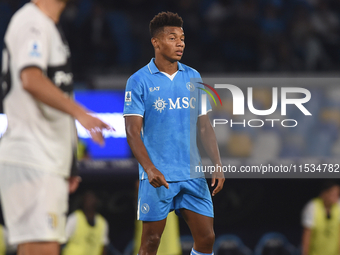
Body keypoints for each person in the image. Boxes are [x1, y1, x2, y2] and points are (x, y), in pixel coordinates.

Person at [0, 0, 112, 255]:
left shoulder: (48, 25)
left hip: (43, 160)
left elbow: (55, 100)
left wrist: (68, 164)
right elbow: (30, 79)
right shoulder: (32, 21)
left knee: (34, 248)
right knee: (44, 248)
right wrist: (81, 113)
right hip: (33, 158)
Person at [124, 11, 224, 255]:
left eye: (182, 38)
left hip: (192, 173)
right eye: (172, 38)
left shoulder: (193, 76)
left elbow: (204, 125)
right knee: (150, 242)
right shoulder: (139, 81)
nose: (180, 43)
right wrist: (149, 168)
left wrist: (217, 163)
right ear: (155, 42)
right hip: (159, 175)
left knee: (207, 238)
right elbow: (132, 132)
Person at [62, 191, 109, 255]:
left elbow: (103, 246)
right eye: (87, 198)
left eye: (92, 198)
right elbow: (62, 241)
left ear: (97, 201)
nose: (89, 201)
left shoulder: (102, 222)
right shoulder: (74, 218)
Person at [301, 181, 340, 255]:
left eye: (337, 194)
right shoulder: (312, 207)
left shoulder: (338, 206)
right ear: (324, 193)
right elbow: (307, 237)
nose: (336, 197)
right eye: (333, 194)